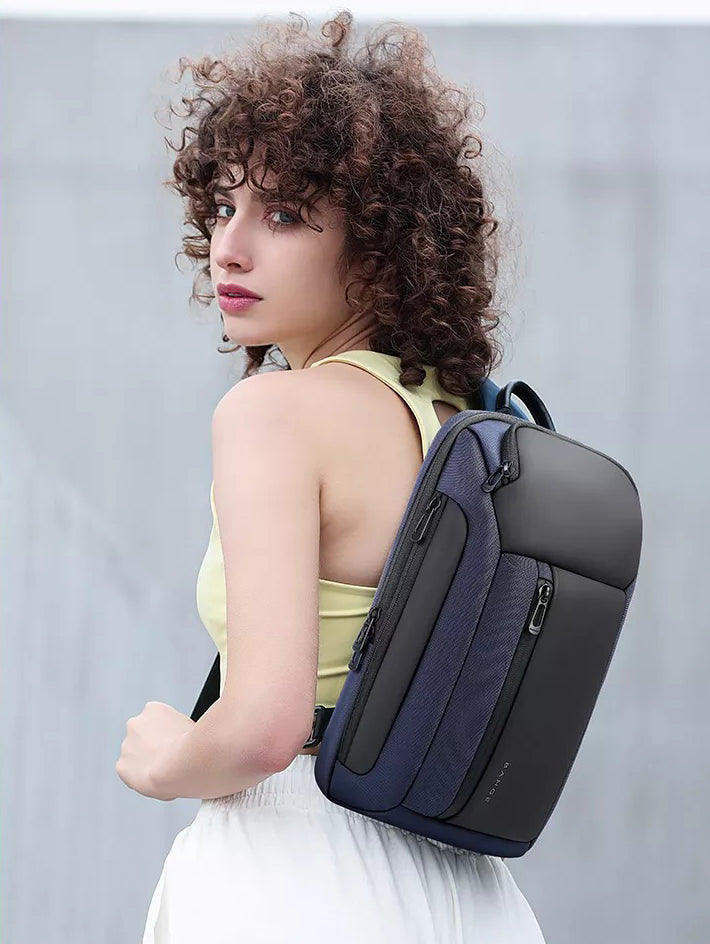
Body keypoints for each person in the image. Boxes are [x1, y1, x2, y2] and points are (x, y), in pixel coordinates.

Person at [116, 10, 546, 942]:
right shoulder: (463, 422)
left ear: (381, 242)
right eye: (222, 207)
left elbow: (263, 728)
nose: (229, 247)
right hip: (466, 890)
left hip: (295, 870)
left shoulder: (273, 413)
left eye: (282, 214)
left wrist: (167, 758)